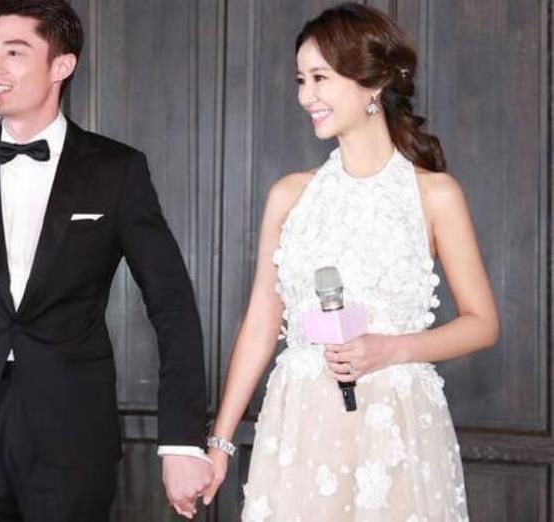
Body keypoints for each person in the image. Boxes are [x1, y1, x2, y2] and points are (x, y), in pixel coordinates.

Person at [0, 0, 212, 520]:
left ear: (61, 65)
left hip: (72, 424)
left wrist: (182, 439)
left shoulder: (116, 169)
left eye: (14, 53)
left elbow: (172, 303)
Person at [201, 3, 499, 520]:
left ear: (374, 83)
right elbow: (261, 322)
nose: (305, 96)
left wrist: (391, 349)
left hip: (395, 427)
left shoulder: (434, 195)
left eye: (320, 78)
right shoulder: (290, 196)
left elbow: (482, 324)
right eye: (301, 80)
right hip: (300, 428)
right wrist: (220, 443)